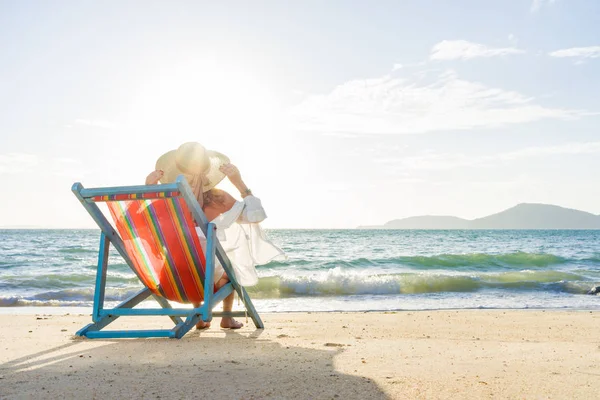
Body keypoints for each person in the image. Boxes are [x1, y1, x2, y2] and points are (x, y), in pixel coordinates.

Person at [145, 142, 285, 329]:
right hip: (207, 282)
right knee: (229, 268)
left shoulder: (168, 203)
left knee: (189, 257)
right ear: (207, 171)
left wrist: (149, 190)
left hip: (172, 281)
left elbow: (140, 225)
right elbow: (255, 216)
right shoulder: (219, 199)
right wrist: (239, 183)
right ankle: (226, 318)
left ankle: (200, 317)